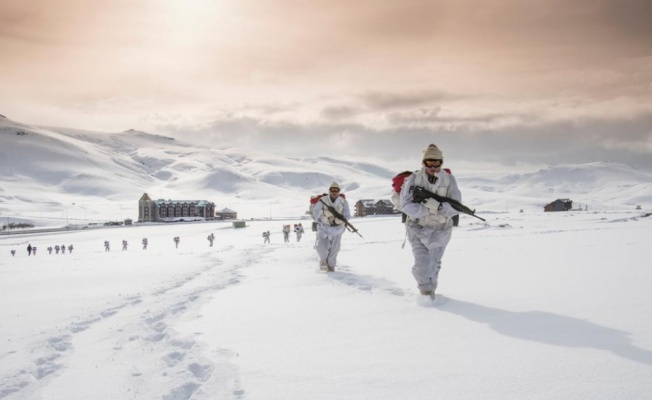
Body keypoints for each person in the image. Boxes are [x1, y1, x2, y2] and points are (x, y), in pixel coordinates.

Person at [399, 144, 461, 300]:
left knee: (434, 264)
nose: (433, 166)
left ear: (441, 162)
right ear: (424, 162)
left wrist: (439, 207)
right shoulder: (414, 179)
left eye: (437, 162)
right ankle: (425, 294)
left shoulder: (449, 179)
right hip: (417, 228)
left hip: (441, 229)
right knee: (422, 266)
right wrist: (425, 208)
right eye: (429, 162)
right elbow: (405, 204)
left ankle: (431, 290)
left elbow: (456, 206)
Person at [311, 181, 351, 272]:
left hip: (338, 229)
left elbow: (347, 215)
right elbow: (316, 212)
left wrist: (339, 221)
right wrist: (324, 219)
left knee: (334, 249)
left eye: (336, 190)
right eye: (332, 190)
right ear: (329, 191)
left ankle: (331, 267)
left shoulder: (343, 201)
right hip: (324, 227)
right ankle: (323, 261)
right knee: (320, 246)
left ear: (339, 191)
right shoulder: (323, 200)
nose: (334, 192)